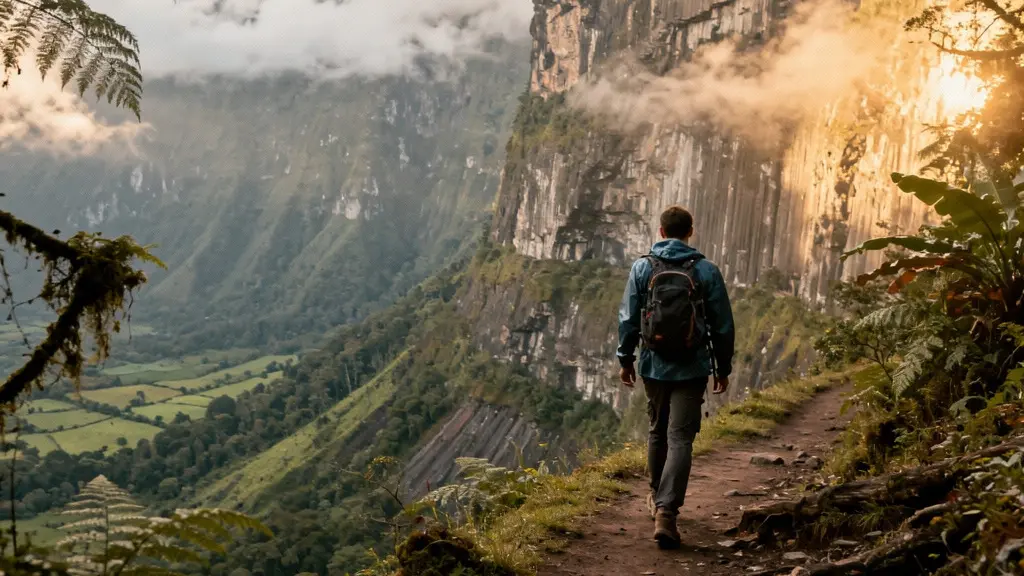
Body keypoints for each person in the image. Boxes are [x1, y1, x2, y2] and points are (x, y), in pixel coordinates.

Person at [616, 205, 735, 549]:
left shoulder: (642, 267)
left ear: (661, 231)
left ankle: (656, 497)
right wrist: (722, 368)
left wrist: (626, 359)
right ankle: (667, 511)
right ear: (690, 232)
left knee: (657, 431)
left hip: (653, 364)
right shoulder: (706, 270)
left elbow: (628, 319)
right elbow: (722, 325)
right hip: (692, 366)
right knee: (680, 437)